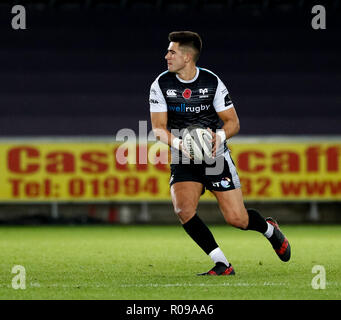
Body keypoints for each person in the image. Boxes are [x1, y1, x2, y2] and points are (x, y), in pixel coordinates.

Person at [149, 31, 290, 275]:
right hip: (184, 154)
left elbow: (233, 123)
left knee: (238, 219)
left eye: (172, 52)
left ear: (187, 56)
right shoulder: (161, 84)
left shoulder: (211, 82)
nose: (166, 56)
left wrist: (219, 137)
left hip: (215, 156)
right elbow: (159, 129)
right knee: (183, 210)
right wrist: (183, 146)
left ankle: (269, 229)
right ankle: (222, 263)